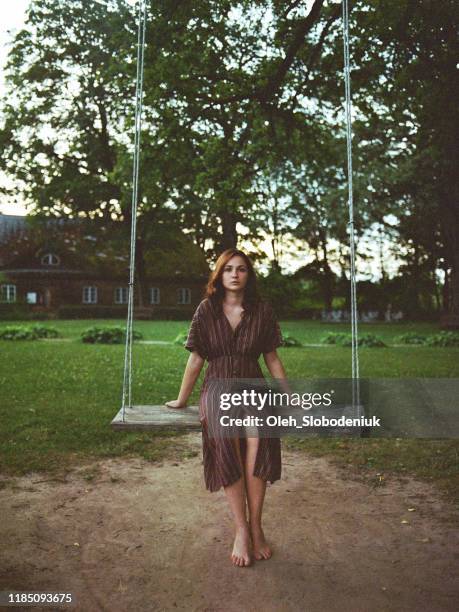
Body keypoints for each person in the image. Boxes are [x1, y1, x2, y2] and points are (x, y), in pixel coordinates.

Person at [165, 248, 288, 567]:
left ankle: (257, 525)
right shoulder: (206, 310)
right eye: (228, 269)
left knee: (258, 438)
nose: (235, 274)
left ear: (249, 275)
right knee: (227, 440)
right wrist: (182, 400)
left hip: (253, 384)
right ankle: (242, 529)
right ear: (219, 275)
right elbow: (195, 359)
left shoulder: (262, 310)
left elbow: (272, 358)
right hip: (218, 385)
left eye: (242, 269)